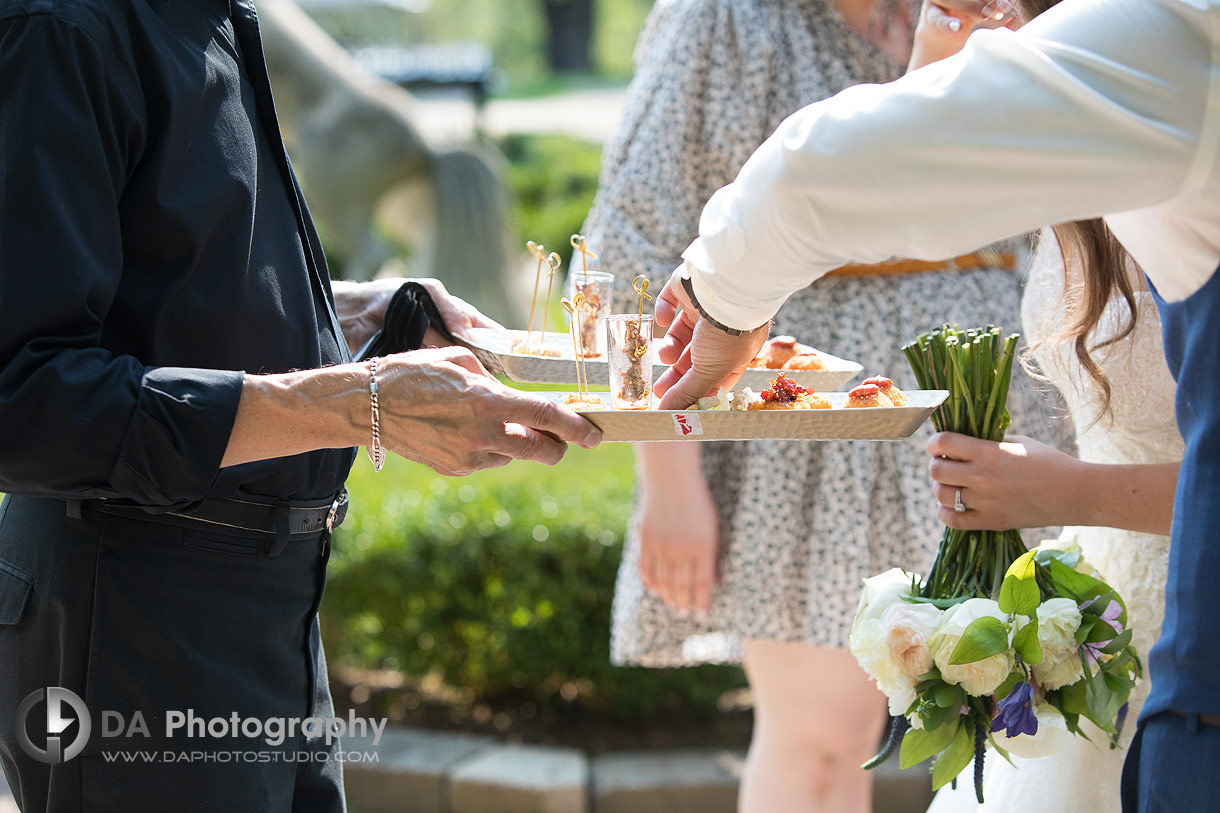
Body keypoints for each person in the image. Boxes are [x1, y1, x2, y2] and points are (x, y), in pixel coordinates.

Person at [0, 2, 598, 810]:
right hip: (136, 620)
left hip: (272, 608)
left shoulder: (214, 17)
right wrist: (356, 402)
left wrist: (336, 311)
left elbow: (166, 282)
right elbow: (27, 399)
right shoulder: (60, 28)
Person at [650, 0, 1220, 809]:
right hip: (1111, 623)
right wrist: (934, 86)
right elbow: (920, 177)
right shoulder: (1114, 109)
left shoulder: (1170, 38)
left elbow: (822, 174)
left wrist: (720, 299)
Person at [577, 1, 1058, 809]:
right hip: (810, 429)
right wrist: (667, 473)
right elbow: (637, 240)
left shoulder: (999, 4)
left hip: (997, 400)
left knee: (1026, 729)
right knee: (820, 741)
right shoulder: (727, 19)